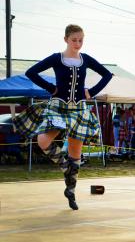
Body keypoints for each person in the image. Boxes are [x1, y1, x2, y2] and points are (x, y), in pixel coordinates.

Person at [13, 24, 112, 210]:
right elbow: (31, 72)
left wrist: (91, 92)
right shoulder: (56, 58)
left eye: (81, 40)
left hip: (79, 109)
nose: (78, 43)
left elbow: (107, 74)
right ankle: (65, 166)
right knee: (43, 140)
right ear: (66, 39)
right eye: (74, 40)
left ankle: (71, 191)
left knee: (76, 151)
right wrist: (50, 88)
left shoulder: (86, 59)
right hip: (58, 106)